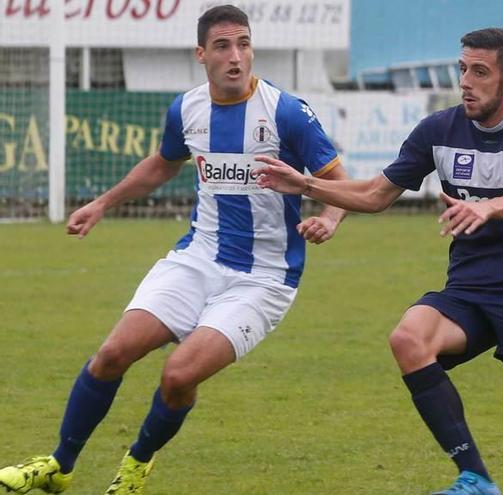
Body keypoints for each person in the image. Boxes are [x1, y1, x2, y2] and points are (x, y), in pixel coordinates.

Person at [253, 28, 503, 495]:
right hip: (469, 286)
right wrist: (307, 186)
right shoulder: (438, 129)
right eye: (463, 68)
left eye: (480, 72)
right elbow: (377, 194)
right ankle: (476, 478)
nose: (466, 80)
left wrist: (487, 206)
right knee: (408, 338)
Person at [0, 5, 347, 494]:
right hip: (197, 257)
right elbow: (163, 165)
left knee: (178, 375)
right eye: (223, 46)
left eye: (244, 44)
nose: (236, 56)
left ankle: (137, 464)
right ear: (201, 54)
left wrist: (328, 217)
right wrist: (101, 203)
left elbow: (336, 180)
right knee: (112, 353)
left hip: (264, 278)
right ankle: (60, 465)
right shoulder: (186, 109)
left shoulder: (285, 112)